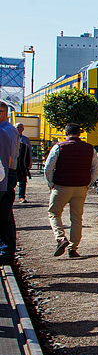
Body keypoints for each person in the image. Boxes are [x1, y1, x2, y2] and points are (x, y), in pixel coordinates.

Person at [44, 124, 98, 258]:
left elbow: (48, 168)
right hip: (80, 187)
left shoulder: (59, 147)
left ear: (65, 133)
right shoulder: (89, 148)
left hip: (61, 186)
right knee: (76, 218)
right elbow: (96, 168)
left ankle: (60, 238)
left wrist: (51, 184)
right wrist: (89, 183)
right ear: (79, 133)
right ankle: (73, 247)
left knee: (54, 213)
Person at [0, 104, 17, 267]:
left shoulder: (7, 131)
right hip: (4, 174)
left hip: (5, 174)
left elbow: (9, 158)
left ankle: (7, 251)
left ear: (5, 113)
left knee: (4, 215)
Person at [15, 124, 32, 202]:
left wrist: (30, 162)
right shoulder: (11, 137)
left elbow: (29, 151)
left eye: (20, 127)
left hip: (22, 162)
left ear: (23, 129)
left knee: (23, 180)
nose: (19, 129)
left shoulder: (25, 139)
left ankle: (21, 197)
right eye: (17, 127)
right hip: (13, 162)